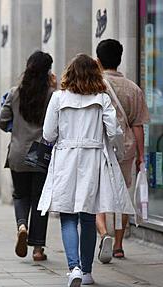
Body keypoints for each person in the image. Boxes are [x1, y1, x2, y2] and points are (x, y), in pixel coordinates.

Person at [37, 54, 135, 287]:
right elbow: (114, 132)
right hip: (93, 158)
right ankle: (88, 271)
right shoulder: (102, 99)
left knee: (68, 215)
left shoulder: (58, 98)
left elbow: (48, 134)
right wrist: (118, 154)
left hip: (66, 159)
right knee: (88, 216)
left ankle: (74, 268)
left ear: (69, 73)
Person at [95, 39, 150, 263]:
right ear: (120, 59)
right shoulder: (133, 89)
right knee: (122, 196)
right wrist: (140, 156)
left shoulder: (95, 86)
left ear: (98, 61)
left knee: (98, 194)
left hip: (100, 147)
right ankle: (118, 245)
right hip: (125, 148)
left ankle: (103, 233)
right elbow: (138, 126)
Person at [0, 51, 55, 261]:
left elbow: (2, 122)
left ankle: (22, 225)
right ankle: (38, 249)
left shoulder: (15, 92)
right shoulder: (51, 94)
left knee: (20, 195)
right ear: (48, 71)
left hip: (19, 152)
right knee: (40, 200)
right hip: (40, 153)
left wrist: (16, 128)